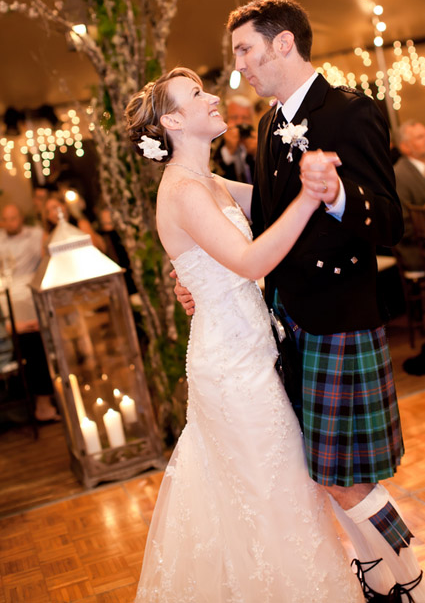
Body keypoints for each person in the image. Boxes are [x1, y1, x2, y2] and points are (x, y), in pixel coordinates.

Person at [176, 0, 425, 603]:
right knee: (325, 473)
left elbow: (391, 222)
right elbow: (267, 219)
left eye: (245, 49)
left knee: (341, 478)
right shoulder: (272, 124)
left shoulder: (350, 112)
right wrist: (199, 264)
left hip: (339, 318)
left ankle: (415, 588)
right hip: (288, 321)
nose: (238, 64)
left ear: (284, 44)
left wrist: (338, 191)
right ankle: (382, 578)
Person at [126, 67, 364, 602]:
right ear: (172, 121)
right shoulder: (184, 190)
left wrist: (317, 176)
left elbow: (265, 212)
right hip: (231, 370)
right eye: (197, 95)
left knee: (272, 497)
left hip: (251, 354)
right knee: (270, 499)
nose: (213, 97)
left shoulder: (208, 182)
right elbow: (250, 257)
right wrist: (308, 196)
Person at [0, 203, 59, 421]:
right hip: (9, 309)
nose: (11, 223)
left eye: (14, 218)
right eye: (7, 219)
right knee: (31, 342)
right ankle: (42, 403)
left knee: (40, 339)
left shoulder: (35, 236)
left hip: (32, 299)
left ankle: (48, 398)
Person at [394, 120, 425, 271]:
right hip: (418, 251)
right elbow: (404, 225)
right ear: (405, 147)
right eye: (420, 137)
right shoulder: (399, 175)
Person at [211, 94, 255, 183]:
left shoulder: (258, 142)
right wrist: (229, 150)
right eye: (234, 117)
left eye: (245, 118)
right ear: (226, 119)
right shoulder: (215, 142)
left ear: (252, 121)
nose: (239, 122)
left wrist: (257, 155)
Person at [42, 194, 106, 254]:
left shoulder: (81, 224)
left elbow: (96, 249)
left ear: (64, 205)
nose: (52, 214)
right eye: (48, 212)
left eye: (55, 208)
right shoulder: (47, 235)